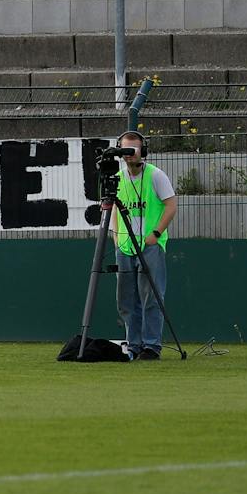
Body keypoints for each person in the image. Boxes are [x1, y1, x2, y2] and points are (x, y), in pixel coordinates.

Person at [102, 131, 178, 360]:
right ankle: (133, 344)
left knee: (151, 297)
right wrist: (116, 237)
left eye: (133, 149)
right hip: (125, 246)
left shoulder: (156, 175)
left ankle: (151, 346)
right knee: (126, 299)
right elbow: (114, 207)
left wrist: (156, 233)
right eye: (125, 150)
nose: (129, 155)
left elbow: (171, 204)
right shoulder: (119, 177)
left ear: (142, 151)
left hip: (149, 245)